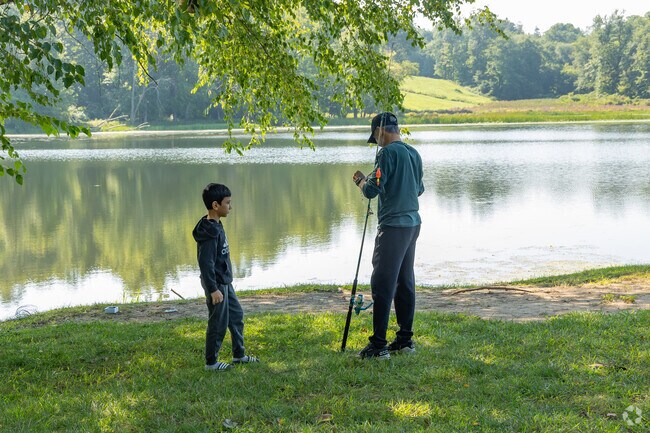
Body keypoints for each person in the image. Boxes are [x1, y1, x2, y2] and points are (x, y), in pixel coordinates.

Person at [352, 112, 424, 360]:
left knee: (382, 283)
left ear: (380, 131)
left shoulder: (386, 154)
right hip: (413, 224)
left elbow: (372, 190)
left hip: (392, 227)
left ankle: (379, 345)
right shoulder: (414, 153)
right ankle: (405, 340)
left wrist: (361, 180)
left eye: (375, 137)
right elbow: (419, 189)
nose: (377, 143)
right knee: (405, 281)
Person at [192, 183, 259, 371]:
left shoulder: (216, 225)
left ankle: (239, 355)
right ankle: (211, 363)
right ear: (215, 205)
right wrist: (213, 289)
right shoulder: (210, 233)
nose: (230, 207)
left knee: (236, 316)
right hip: (216, 285)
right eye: (228, 203)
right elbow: (206, 264)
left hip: (225, 283)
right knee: (218, 323)